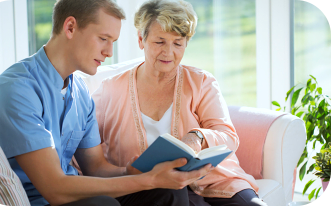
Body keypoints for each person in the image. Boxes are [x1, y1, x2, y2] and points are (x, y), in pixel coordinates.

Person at [0, 0, 213, 206]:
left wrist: (130, 171)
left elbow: (97, 168)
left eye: (113, 41)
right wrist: (146, 180)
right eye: (103, 39)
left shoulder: (80, 92)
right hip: (45, 199)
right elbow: (55, 190)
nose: (109, 52)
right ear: (70, 27)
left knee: (167, 191)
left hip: (79, 194)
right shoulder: (17, 90)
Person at [92, 0, 267, 205]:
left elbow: (228, 136)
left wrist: (197, 136)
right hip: (156, 188)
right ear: (141, 39)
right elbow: (85, 148)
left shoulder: (202, 82)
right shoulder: (109, 91)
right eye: (160, 42)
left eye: (178, 43)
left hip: (215, 181)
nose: (169, 52)